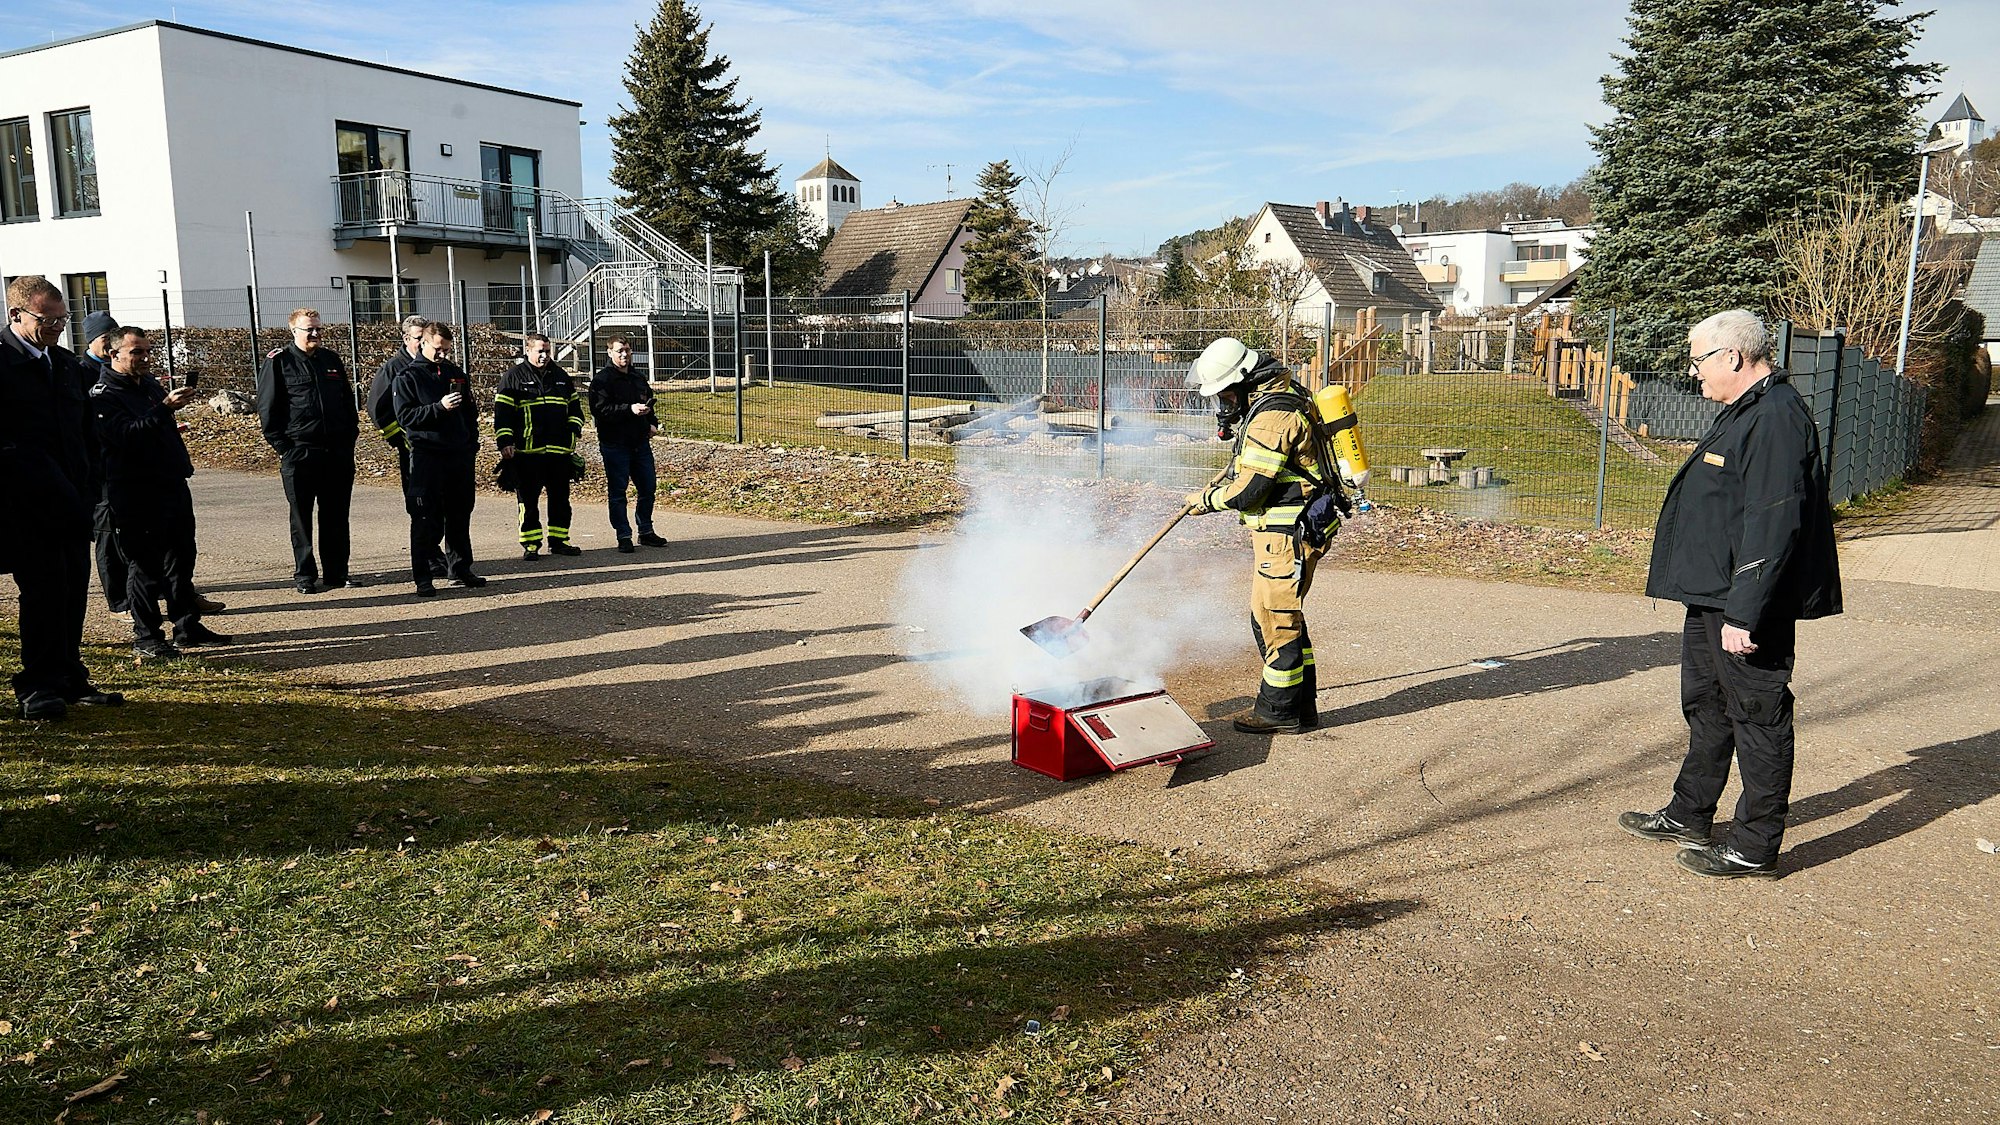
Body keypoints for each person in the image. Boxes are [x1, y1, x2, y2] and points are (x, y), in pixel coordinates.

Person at [1620, 309, 1841, 879]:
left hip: (1746, 604)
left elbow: (1774, 524)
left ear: (1732, 357)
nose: (1694, 373)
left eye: (1697, 360)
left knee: (1758, 717)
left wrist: (1744, 614)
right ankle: (1689, 812)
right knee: (1707, 708)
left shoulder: (1775, 418)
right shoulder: (1745, 410)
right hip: (1713, 594)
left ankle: (1754, 844)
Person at [1182, 336, 1335, 735]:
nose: (1225, 404)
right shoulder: (1279, 397)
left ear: (1245, 381)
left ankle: (1278, 712)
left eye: (1226, 394)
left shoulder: (1272, 416)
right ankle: (1301, 708)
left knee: (1275, 620)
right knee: (1272, 615)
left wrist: (1207, 499)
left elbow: (1250, 491)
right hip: (1283, 531)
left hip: (1287, 533)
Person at [0, 276, 122, 720]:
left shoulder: (65, 364)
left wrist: (88, 487)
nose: (56, 327)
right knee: (43, 593)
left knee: (72, 591)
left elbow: (86, 434)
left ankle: (70, 676)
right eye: (46, 319)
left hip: (73, 501)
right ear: (16, 314)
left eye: (62, 319)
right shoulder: (3, 363)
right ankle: (37, 685)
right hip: (25, 507)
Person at [91, 327, 230, 659]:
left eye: (147, 351)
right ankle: (148, 636)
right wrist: (164, 409)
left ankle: (187, 627)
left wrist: (169, 412)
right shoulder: (103, 395)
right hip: (135, 491)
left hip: (171, 484)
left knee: (181, 559)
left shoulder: (149, 384)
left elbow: (157, 427)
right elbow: (125, 435)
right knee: (145, 565)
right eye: (136, 352)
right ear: (114, 354)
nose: (145, 358)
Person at [257, 307, 359, 594]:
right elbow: (267, 410)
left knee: (336, 515)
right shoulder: (280, 362)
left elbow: (347, 404)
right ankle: (305, 574)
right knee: (301, 518)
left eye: (318, 329)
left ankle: (337, 572)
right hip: (300, 452)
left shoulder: (331, 360)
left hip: (336, 453)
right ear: (294, 331)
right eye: (308, 329)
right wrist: (284, 448)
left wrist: (349, 439)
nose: (315, 334)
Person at [392, 323, 485, 597]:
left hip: (458, 455)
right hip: (427, 456)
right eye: (437, 349)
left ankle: (460, 567)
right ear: (423, 343)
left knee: (460, 513)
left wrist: (471, 444)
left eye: (446, 349)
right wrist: (438, 408)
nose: (442, 354)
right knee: (426, 517)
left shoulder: (455, 373)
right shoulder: (407, 377)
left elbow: (470, 412)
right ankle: (423, 576)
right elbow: (405, 417)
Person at [493, 332, 584, 558]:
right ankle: (531, 544)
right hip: (527, 453)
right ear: (528, 350)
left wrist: (572, 433)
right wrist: (505, 442)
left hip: (558, 453)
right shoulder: (513, 377)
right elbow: (502, 415)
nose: (544, 356)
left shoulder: (561, 376)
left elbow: (575, 410)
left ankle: (560, 540)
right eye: (539, 351)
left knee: (561, 501)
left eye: (547, 351)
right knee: (528, 502)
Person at [368, 314, 445, 578]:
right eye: (417, 338)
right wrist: (400, 438)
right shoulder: (394, 368)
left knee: (439, 504)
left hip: (438, 449)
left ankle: (434, 551)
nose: (422, 342)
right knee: (420, 505)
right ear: (406, 338)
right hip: (412, 449)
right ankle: (428, 556)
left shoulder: (437, 365)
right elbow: (378, 410)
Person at [588, 337, 667, 553]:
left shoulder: (637, 377)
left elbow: (649, 402)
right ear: (610, 353)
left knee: (648, 488)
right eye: (620, 351)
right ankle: (623, 535)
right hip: (615, 444)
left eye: (628, 351)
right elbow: (600, 410)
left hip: (640, 444)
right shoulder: (602, 380)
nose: (624, 355)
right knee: (618, 492)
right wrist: (628, 409)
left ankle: (646, 531)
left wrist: (652, 423)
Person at [77, 310, 130, 614]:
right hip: (100, 465)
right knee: (108, 535)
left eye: (114, 337)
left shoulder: (123, 368)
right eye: (104, 339)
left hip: (129, 462)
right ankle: (118, 601)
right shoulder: (80, 371)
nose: (111, 345)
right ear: (92, 341)